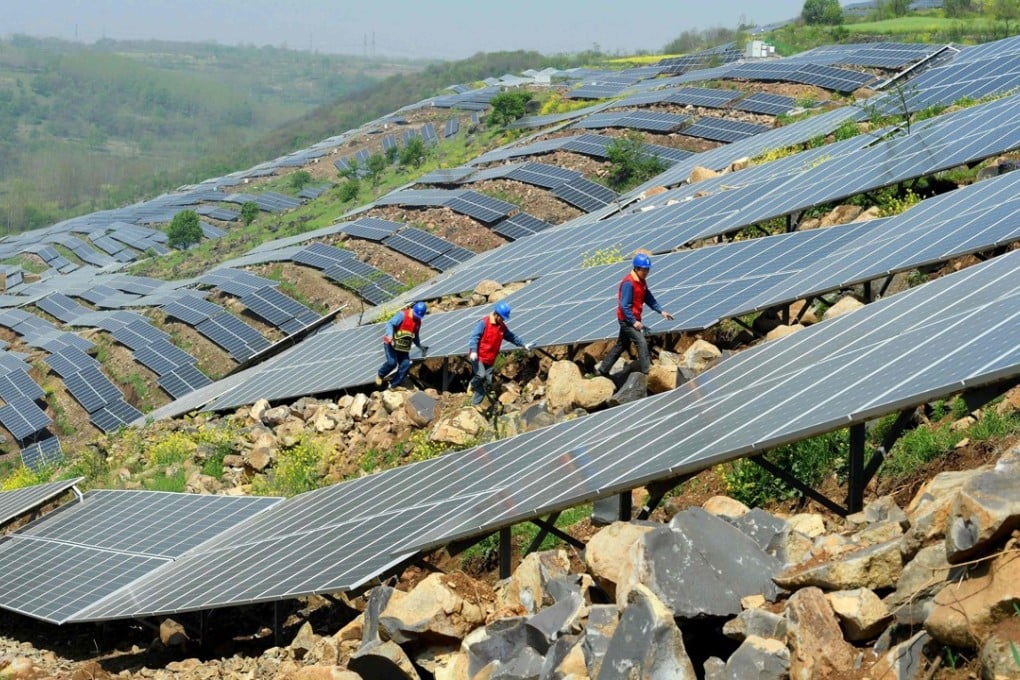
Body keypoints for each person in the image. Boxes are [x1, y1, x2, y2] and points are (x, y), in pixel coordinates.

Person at [598, 253, 673, 376]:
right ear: (637, 268)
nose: (647, 272)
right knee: (641, 342)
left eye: (648, 270)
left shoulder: (641, 281)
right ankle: (646, 372)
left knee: (622, 344)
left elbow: (648, 298)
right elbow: (624, 305)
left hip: (633, 318)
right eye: (644, 270)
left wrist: (661, 311)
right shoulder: (629, 282)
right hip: (626, 320)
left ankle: (603, 369)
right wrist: (633, 321)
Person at [468, 301, 533, 407]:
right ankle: (472, 386)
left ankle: (476, 404)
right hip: (478, 357)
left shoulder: (502, 327)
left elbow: (512, 337)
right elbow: (474, 337)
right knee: (480, 375)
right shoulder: (484, 323)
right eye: (502, 317)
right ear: (496, 314)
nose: (503, 320)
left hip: (490, 359)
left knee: (487, 384)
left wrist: (523, 344)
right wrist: (474, 350)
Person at [376, 301, 428, 389]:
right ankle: (380, 375)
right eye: (416, 315)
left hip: (403, 347)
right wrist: (389, 335)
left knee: (405, 365)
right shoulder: (402, 315)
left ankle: (393, 386)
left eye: (419, 316)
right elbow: (390, 323)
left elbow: (415, 336)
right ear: (413, 310)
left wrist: (420, 346)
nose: (417, 317)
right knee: (392, 362)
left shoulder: (418, 322)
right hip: (391, 344)